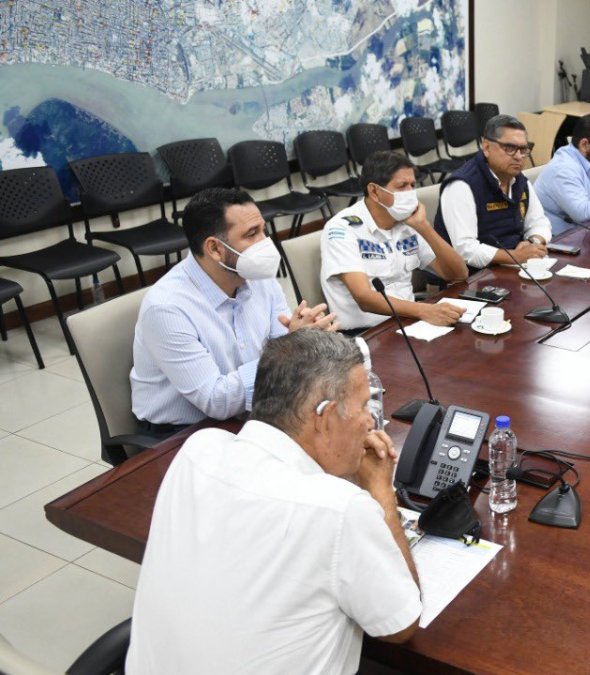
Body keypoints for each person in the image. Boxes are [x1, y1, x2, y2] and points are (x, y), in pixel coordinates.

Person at [127, 330, 422, 673]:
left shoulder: (197, 449)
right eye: (362, 407)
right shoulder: (340, 508)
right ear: (324, 416)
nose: (370, 421)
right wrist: (381, 495)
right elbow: (401, 624)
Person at [131, 188, 338, 439]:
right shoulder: (167, 308)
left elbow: (281, 344)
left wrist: (304, 337)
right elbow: (215, 401)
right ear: (215, 249)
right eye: (252, 234)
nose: (265, 243)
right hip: (183, 435)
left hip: (253, 413)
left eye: (264, 229)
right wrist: (291, 348)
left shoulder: (257, 276)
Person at [321, 150, 468, 331]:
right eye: (401, 186)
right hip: (365, 333)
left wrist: (424, 227)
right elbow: (364, 298)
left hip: (408, 321)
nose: (409, 193)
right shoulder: (342, 229)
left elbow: (458, 274)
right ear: (374, 191)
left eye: (412, 185)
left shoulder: (408, 222)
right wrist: (425, 310)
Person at [433, 114, 553, 270]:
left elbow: (539, 222)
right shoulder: (462, 185)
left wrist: (532, 244)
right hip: (472, 276)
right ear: (487, 147)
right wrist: (514, 257)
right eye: (509, 148)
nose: (518, 156)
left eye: (523, 149)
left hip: (514, 266)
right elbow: (465, 249)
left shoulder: (519, 181)